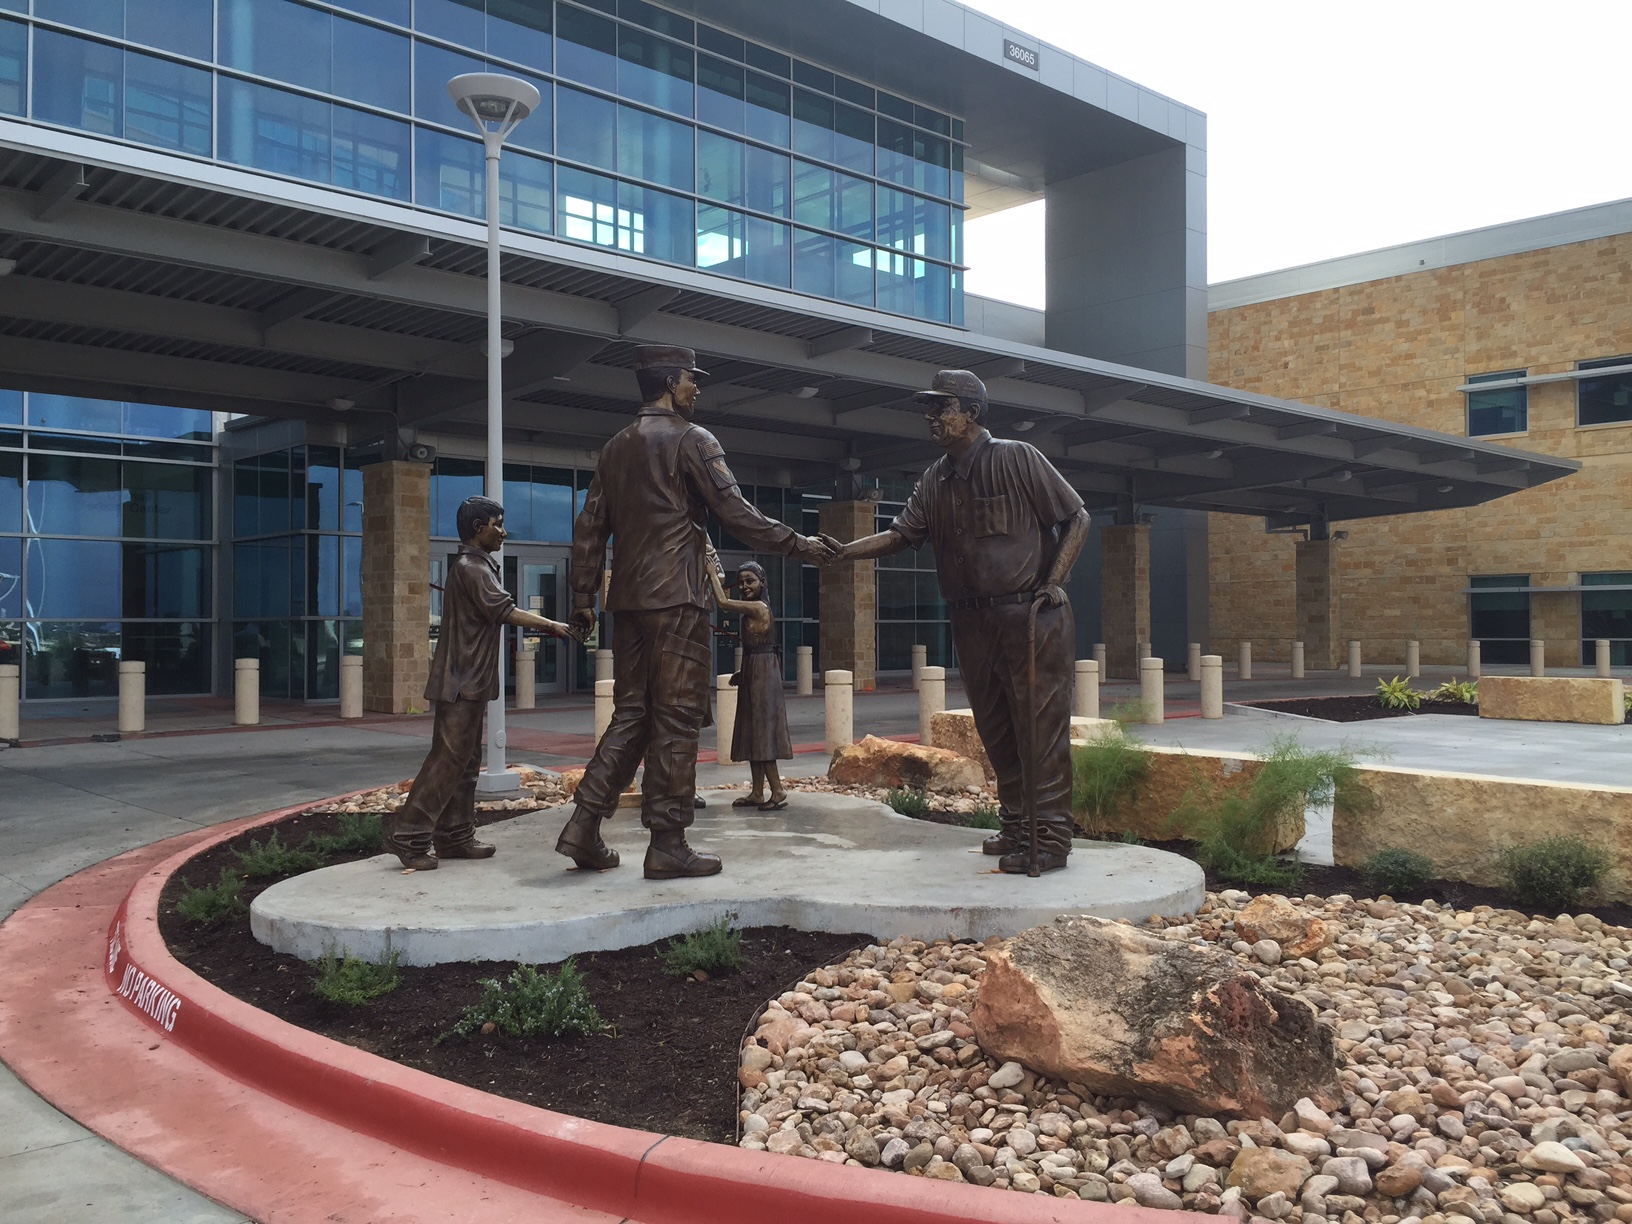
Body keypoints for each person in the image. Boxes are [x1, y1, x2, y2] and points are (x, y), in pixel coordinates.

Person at [557, 346, 835, 880]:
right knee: (678, 719)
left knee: (633, 715)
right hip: (677, 601)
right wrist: (798, 544)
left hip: (631, 606)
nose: (696, 390)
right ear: (668, 382)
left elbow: (588, 528)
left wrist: (583, 599)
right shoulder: (693, 440)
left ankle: (584, 825)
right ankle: (668, 842)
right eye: (691, 380)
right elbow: (737, 513)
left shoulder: (615, 448)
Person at [826, 370, 1091, 874]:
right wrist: (843, 553)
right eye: (930, 408)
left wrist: (1056, 581)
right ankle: (1016, 827)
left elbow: (1077, 517)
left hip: (1029, 616)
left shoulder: (1017, 457)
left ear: (971, 412)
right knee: (997, 731)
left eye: (941, 407)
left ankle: (1051, 840)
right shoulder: (934, 478)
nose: (932, 417)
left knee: (1039, 732)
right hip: (971, 624)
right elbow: (901, 535)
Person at [386, 495, 575, 870]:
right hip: (460, 679)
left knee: (466, 761)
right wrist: (553, 625)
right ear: (478, 529)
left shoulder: (478, 565)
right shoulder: (473, 568)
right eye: (498, 524)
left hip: (469, 679)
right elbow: (504, 610)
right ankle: (408, 835)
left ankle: (454, 835)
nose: (503, 532)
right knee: (448, 759)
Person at [705, 546, 791, 810]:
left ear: (762, 583)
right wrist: (744, 672)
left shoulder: (759, 608)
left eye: (750, 581)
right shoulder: (751, 611)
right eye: (741, 582)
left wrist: (710, 571)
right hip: (755, 669)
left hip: (765, 674)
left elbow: (723, 604)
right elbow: (755, 646)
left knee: (763, 731)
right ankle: (757, 791)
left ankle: (777, 791)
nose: (744, 586)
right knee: (752, 730)